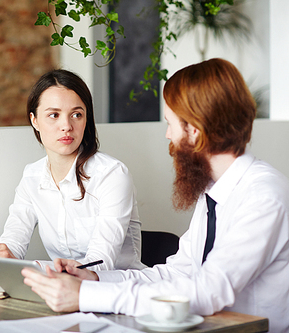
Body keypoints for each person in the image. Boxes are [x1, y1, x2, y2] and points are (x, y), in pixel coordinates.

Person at [21, 59, 289, 332]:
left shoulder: (262, 197)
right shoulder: (213, 191)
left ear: (194, 130)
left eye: (170, 124)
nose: (168, 135)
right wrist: (93, 279)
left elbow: (209, 290)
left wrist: (84, 296)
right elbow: (178, 272)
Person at [0, 69, 145, 271]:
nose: (66, 126)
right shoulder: (32, 177)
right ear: (34, 120)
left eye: (76, 114)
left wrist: (26, 264)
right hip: (58, 291)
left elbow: (99, 264)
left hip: (118, 291)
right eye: (54, 115)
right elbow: (13, 246)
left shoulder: (111, 175)